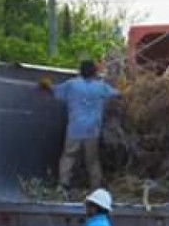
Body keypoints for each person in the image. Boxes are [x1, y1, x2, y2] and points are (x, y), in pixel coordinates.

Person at [40, 60, 120, 192]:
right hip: (92, 129)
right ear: (95, 72)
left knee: (69, 156)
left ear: (80, 71)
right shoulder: (101, 86)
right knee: (92, 160)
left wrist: (45, 84)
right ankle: (95, 187)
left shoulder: (72, 84)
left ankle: (63, 184)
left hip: (74, 128)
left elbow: (54, 92)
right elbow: (117, 94)